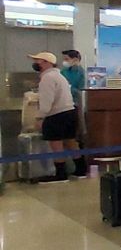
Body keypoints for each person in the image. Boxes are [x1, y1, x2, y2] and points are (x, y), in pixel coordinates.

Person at [28, 52, 84, 182]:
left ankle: (60, 174)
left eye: (38, 61)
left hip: (56, 115)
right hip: (69, 112)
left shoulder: (47, 78)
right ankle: (81, 169)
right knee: (70, 141)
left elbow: (46, 102)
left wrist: (40, 118)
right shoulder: (59, 75)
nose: (36, 63)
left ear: (47, 63)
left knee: (56, 144)